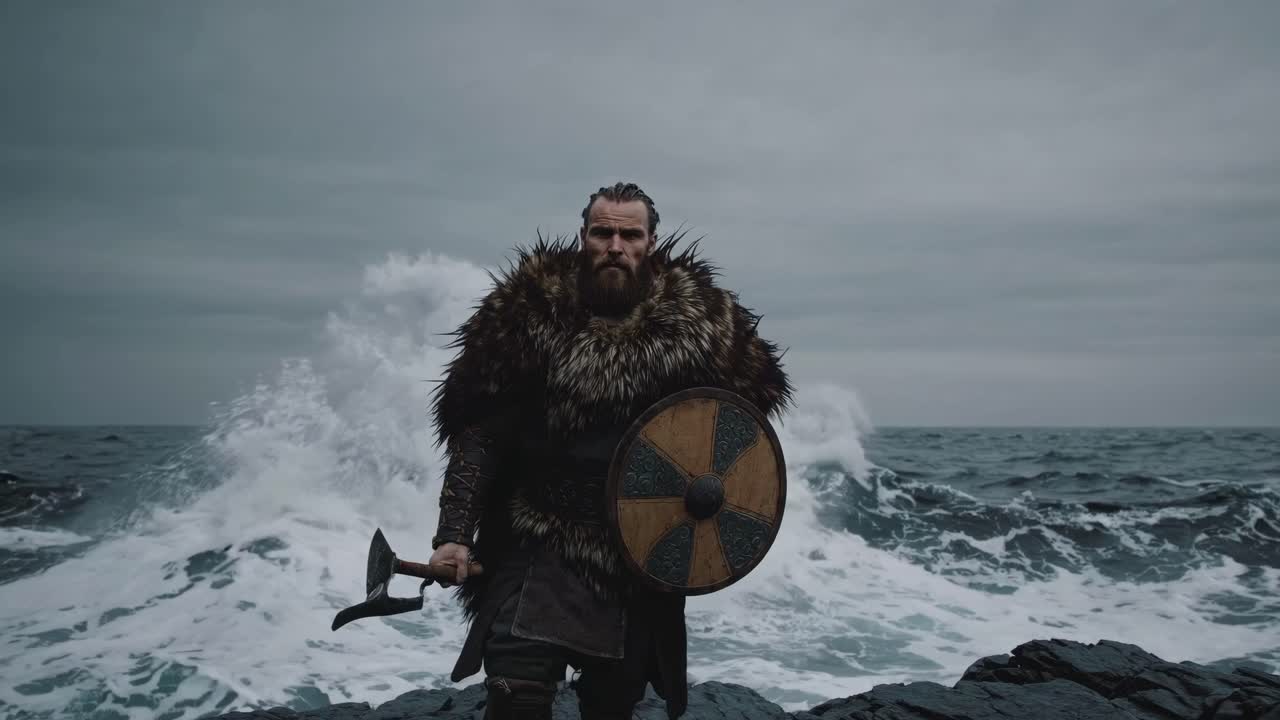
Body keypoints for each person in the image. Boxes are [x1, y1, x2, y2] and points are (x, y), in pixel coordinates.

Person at [427, 182, 792, 720]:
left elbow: (737, 431)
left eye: (629, 234)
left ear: (650, 242)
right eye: (603, 232)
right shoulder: (528, 316)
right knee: (516, 695)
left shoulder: (703, 328)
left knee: (612, 707)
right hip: (538, 543)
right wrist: (454, 536)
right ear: (584, 238)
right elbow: (481, 435)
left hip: (637, 559)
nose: (615, 245)